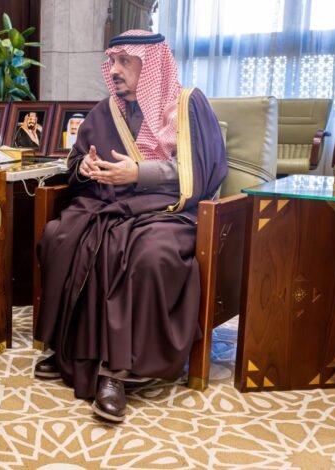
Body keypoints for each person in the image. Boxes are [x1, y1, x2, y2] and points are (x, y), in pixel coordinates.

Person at [33, 31, 227, 423]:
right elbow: (75, 162)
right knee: (61, 235)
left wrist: (138, 173)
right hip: (109, 204)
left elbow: (200, 172)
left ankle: (117, 370)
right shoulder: (106, 110)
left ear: (151, 63)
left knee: (147, 254)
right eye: (113, 61)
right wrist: (85, 168)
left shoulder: (187, 104)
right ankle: (74, 349)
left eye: (125, 61)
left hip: (169, 210)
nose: (115, 70)